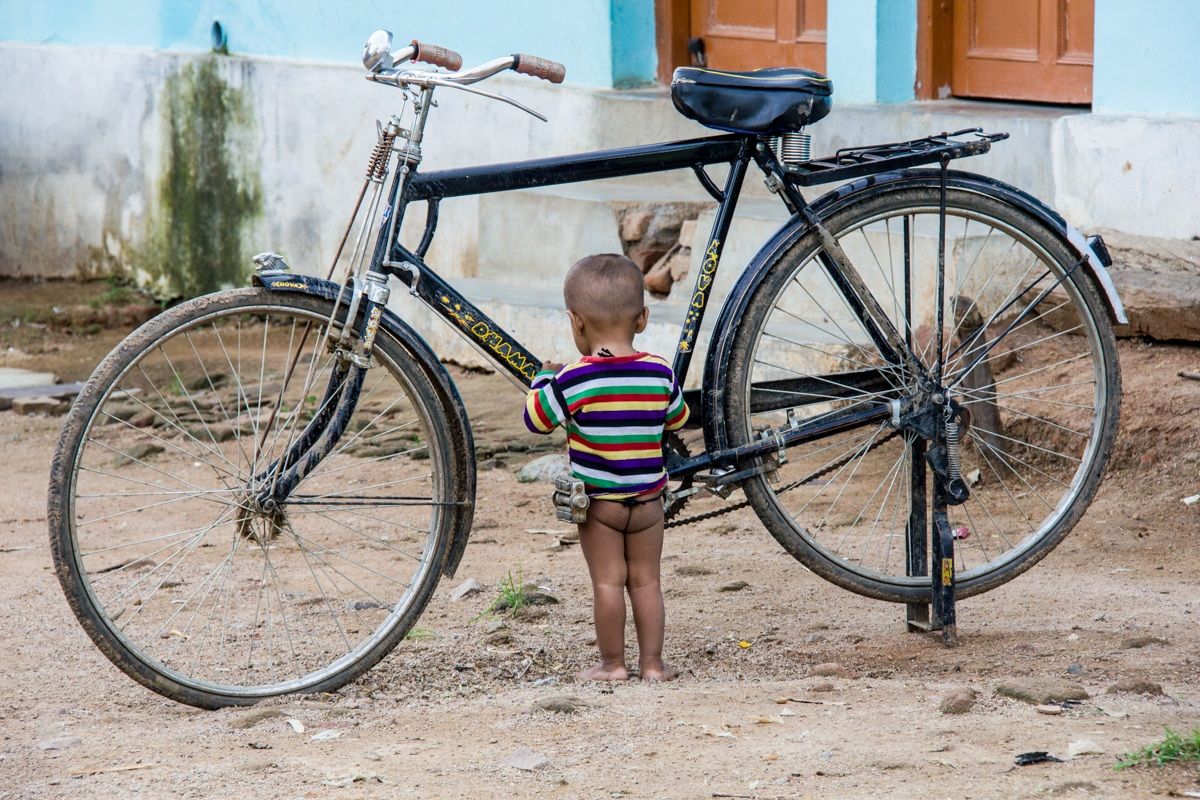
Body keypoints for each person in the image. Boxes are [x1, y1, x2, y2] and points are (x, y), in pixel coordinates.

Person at [523, 253, 689, 682]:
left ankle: (613, 665)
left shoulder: (574, 378)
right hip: (650, 502)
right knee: (647, 583)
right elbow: (680, 418)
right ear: (642, 318)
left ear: (576, 322)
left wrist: (543, 378)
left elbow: (537, 420)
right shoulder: (658, 371)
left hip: (601, 504)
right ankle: (653, 664)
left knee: (608, 584)